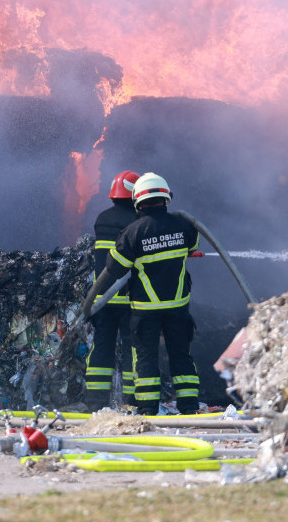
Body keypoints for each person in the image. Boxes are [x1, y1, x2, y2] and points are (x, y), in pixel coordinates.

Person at [87, 172, 201, 415]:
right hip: (177, 306)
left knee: (145, 358)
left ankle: (148, 408)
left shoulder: (133, 232)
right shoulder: (184, 226)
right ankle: (190, 407)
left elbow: (115, 268)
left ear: (138, 201)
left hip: (146, 309)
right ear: (166, 198)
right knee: (181, 356)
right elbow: (193, 246)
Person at [83, 170, 140, 411]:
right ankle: (132, 400)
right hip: (129, 299)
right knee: (131, 348)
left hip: (102, 299)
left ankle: (96, 401)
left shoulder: (102, 218)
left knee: (102, 347)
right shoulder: (138, 222)